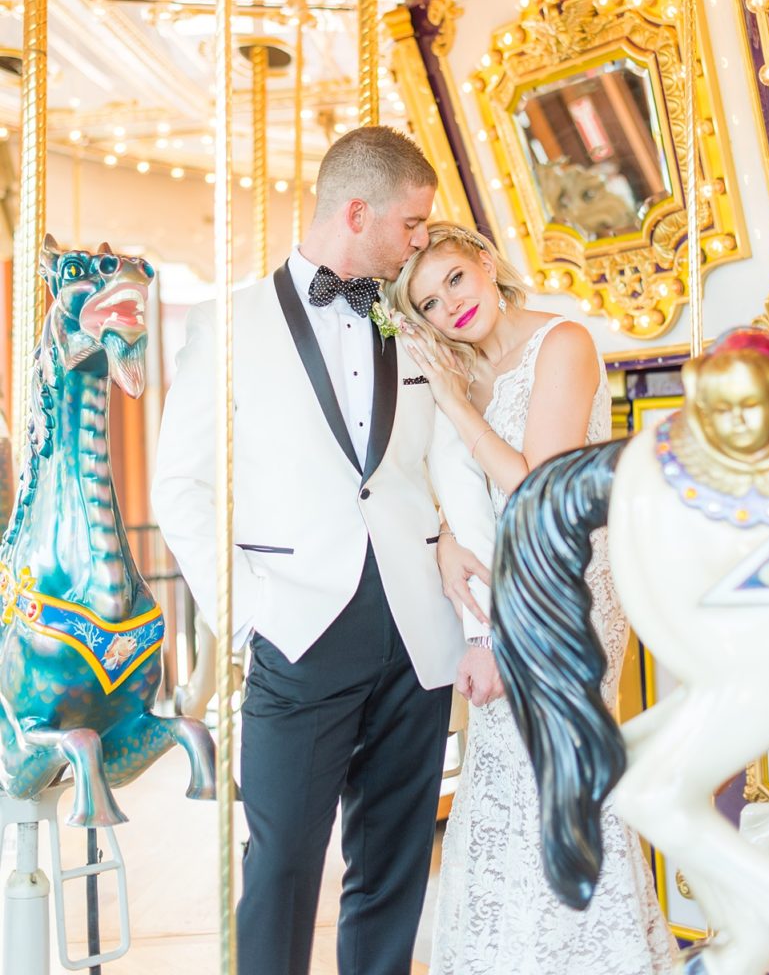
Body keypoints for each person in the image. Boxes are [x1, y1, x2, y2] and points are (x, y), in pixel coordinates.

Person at [151, 128, 500, 975]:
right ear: (358, 211)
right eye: (412, 222)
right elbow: (178, 487)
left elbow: (453, 467)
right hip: (295, 629)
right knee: (278, 869)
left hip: (417, 631)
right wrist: (251, 613)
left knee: (392, 869)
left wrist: (483, 626)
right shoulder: (225, 322)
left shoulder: (412, 318)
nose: (422, 240)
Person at [386, 221, 678, 975]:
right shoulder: (465, 368)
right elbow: (457, 486)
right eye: (427, 302)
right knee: (501, 772)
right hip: (495, 595)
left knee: (558, 766)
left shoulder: (562, 343)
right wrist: (447, 534)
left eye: (454, 279)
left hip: (566, 590)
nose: (449, 305)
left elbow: (537, 486)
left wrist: (456, 406)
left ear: (484, 262)